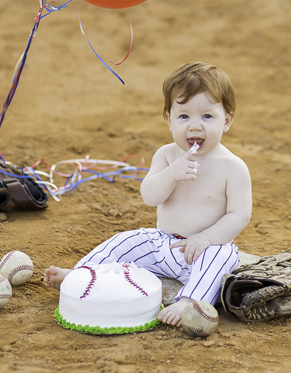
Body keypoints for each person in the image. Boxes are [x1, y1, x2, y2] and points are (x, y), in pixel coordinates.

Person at [44, 62, 253, 325]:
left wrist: (206, 238)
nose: (195, 126)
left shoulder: (233, 167)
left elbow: (239, 215)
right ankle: (80, 274)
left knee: (221, 259)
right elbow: (149, 197)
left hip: (204, 249)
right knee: (122, 243)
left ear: (227, 121)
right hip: (161, 243)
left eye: (207, 117)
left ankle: (188, 302)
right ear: (168, 119)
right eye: (184, 116)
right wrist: (171, 174)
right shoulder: (166, 155)